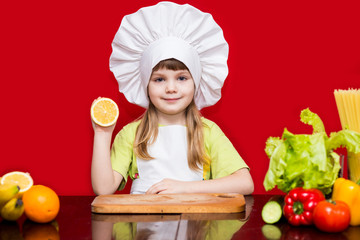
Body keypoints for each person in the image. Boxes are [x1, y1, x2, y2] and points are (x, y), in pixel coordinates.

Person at [91, 2, 254, 195]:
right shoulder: (131, 134)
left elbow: (245, 183)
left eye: (182, 78)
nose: (170, 88)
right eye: (159, 79)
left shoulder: (208, 133)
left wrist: (183, 188)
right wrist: (102, 133)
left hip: (197, 223)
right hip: (143, 224)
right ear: (146, 86)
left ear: (196, 83)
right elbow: (103, 189)